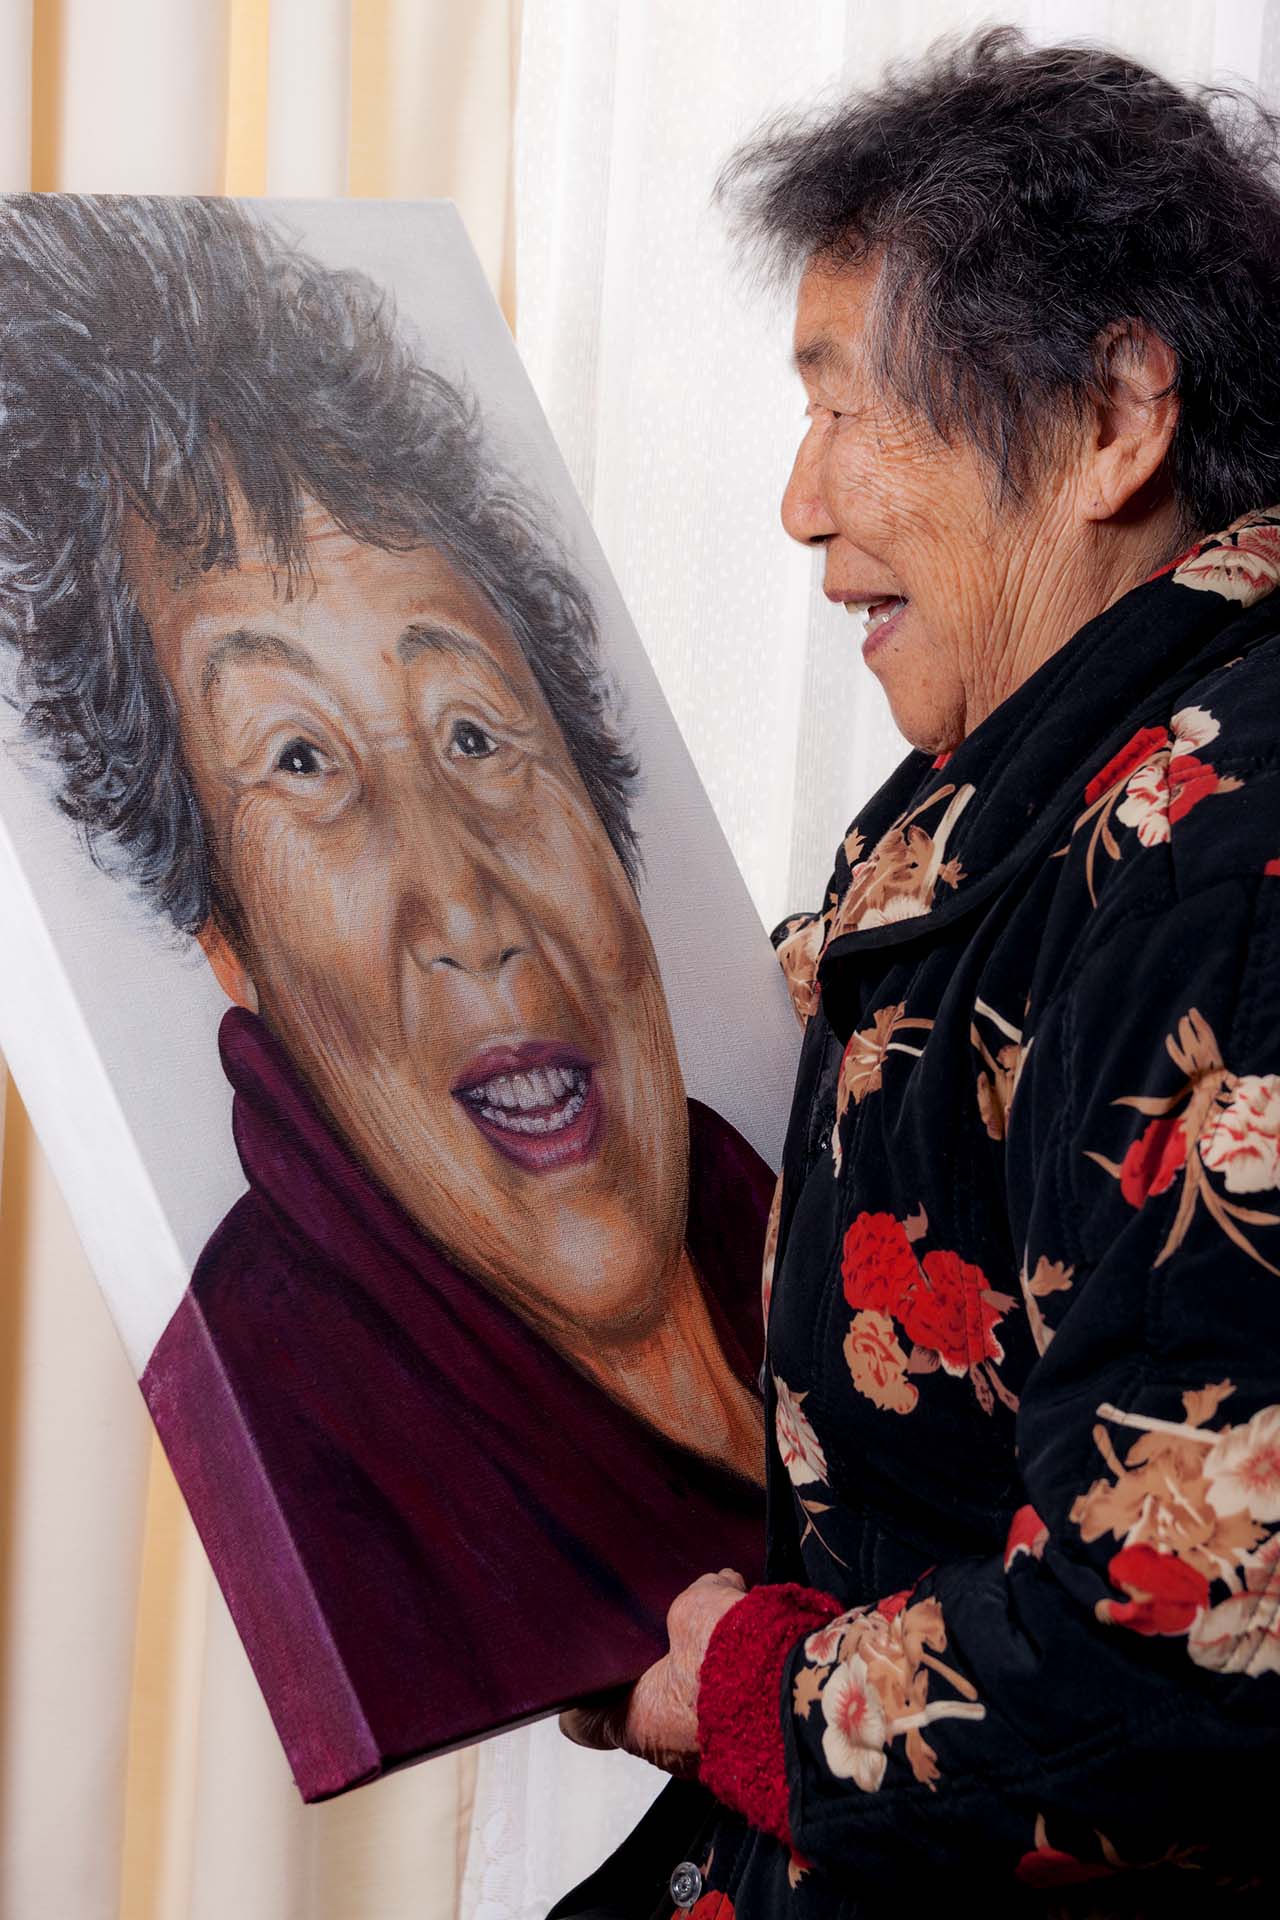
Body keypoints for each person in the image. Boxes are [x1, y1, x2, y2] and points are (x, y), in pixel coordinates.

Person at [557, 29, 1280, 1915]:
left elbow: (1190, 1650)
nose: (802, 502)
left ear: (1115, 418)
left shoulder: (1230, 862)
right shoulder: (1055, 772)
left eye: (846, 406)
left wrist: (745, 1692)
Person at [0, 194, 772, 1798]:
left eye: (477, 733)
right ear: (225, 942)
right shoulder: (298, 1422)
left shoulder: (815, 1205)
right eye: (301, 762)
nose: (468, 912)